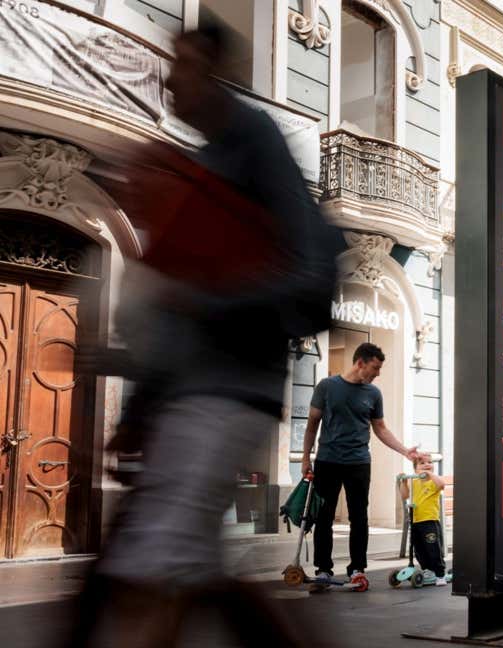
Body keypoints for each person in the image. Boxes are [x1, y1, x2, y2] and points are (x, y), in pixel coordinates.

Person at [66, 25, 340, 647]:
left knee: (155, 570)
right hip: (188, 396)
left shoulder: (256, 142)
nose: (168, 78)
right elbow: (170, 316)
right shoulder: (203, 162)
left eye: (183, 66)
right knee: (183, 567)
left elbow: (310, 280)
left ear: (216, 71)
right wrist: (137, 405)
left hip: (229, 394)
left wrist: (201, 300)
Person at [302, 343, 420, 586]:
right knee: (324, 517)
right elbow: (312, 423)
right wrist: (305, 458)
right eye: (375, 368)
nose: (378, 373)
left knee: (359, 517)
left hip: (358, 463)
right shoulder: (326, 387)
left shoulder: (373, 394)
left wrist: (405, 451)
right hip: (327, 460)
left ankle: (357, 568)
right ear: (360, 363)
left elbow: (381, 429)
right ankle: (323, 569)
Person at [400, 453, 448, 586]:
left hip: (430, 520)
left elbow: (442, 484)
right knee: (419, 549)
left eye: (429, 462)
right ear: (415, 469)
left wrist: (430, 474)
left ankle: (440, 574)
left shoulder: (434, 481)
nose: (427, 465)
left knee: (433, 548)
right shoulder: (413, 481)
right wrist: (403, 481)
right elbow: (404, 495)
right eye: (422, 463)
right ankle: (427, 569)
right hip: (416, 521)